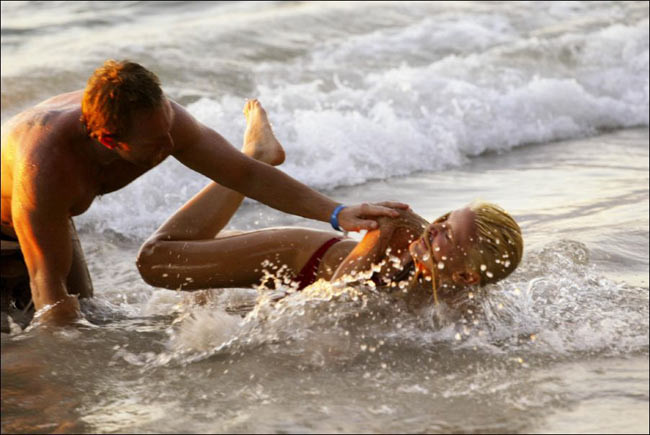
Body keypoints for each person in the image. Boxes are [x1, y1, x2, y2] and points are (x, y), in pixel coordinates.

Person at [0, 60, 406, 328]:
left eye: (169, 129)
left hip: (50, 219)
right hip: (15, 226)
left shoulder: (163, 123)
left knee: (88, 316)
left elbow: (248, 174)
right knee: (51, 323)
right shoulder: (46, 167)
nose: (170, 145)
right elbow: (47, 283)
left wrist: (338, 212)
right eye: (155, 145)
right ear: (108, 140)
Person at [136, 101, 524, 307]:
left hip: (303, 284)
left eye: (449, 235)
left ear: (468, 277)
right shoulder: (400, 233)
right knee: (156, 262)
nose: (435, 227)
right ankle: (253, 156)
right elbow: (332, 300)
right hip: (297, 257)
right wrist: (384, 230)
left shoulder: (463, 296)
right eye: (444, 219)